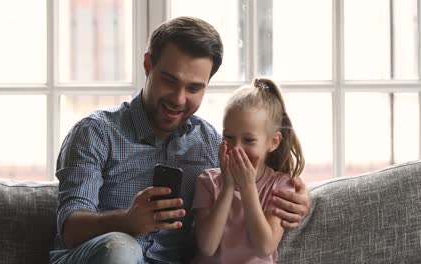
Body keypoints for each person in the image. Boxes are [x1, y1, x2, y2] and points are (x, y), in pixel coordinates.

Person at [50, 16, 311, 264]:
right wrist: (127, 221)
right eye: (169, 80)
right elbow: (70, 228)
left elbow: (254, 177)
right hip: (103, 257)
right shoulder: (96, 133)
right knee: (122, 247)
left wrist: (299, 200)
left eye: (194, 88)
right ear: (148, 66)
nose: (178, 98)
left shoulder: (211, 144)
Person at [191, 77, 305, 264]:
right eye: (228, 137)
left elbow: (265, 247)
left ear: (273, 142)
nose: (236, 148)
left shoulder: (281, 185)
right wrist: (228, 186)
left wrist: (247, 187)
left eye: (249, 140)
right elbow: (207, 247)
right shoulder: (208, 181)